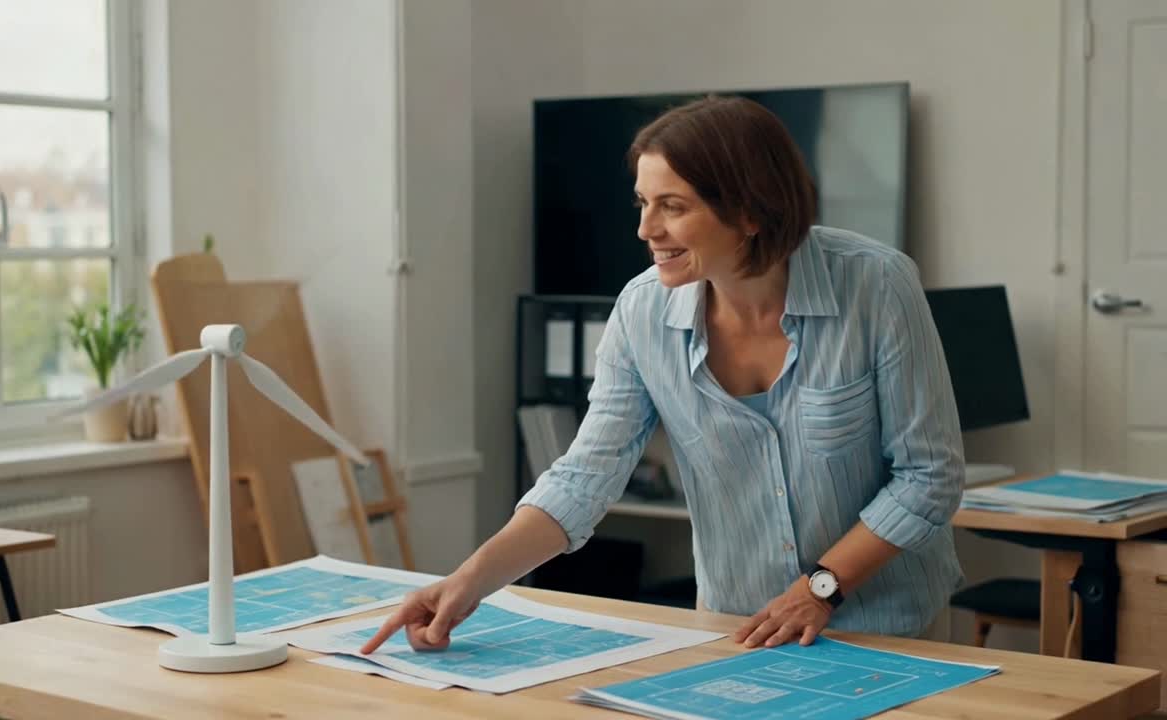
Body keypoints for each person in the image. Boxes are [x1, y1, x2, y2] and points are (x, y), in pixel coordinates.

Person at [362, 95, 964, 655]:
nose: (646, 229)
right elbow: (584, 479)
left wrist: (821, 588)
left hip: (889, 624)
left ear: (750, 210)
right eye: (643, 203)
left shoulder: (876, 285)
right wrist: (467, 583)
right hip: (738, 625)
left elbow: (927, 475)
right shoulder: (641, 311)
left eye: (672, 207)